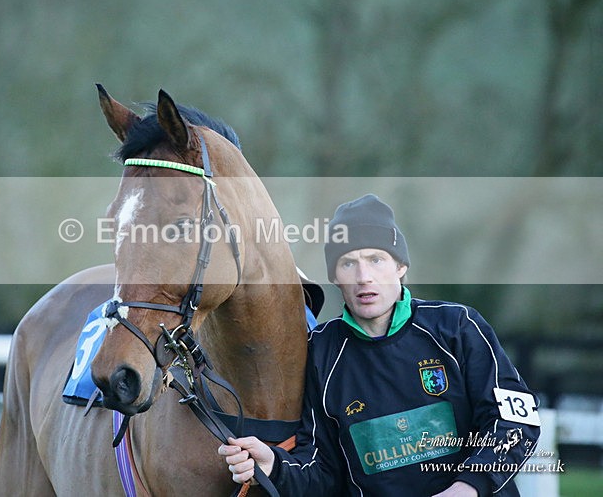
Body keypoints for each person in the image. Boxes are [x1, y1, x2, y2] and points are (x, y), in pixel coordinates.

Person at [218, 194, 541, 496]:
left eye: (376, 260)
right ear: (335, 276)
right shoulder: (319, 352)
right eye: (348, 263)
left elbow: (516, 422)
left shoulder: (457, 326)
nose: (363, 276)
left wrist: (469, 487)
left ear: (400, 266)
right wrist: (273, 466)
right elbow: (323, 471)